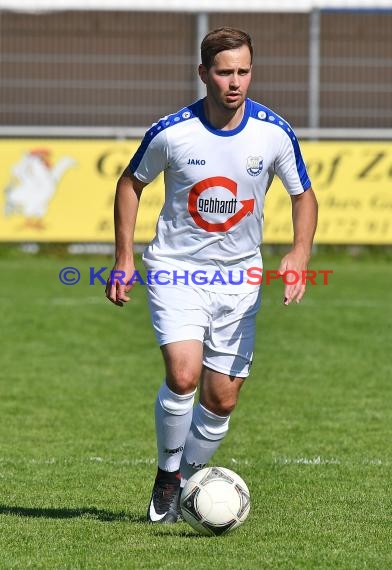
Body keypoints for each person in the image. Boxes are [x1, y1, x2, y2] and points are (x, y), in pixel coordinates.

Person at [105, 27, 318, 524]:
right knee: (184, 376)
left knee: (221, 397)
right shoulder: (172, 133)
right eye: (225, 72)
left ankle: (186, 480)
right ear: (204, 74)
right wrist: (124, 257)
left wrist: (300, 253)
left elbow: (302, 194)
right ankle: (166, 474)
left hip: (239, 278)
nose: (236, 82)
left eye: (244, 71)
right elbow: (130, 183)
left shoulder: (274, 133)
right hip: (177, 270)